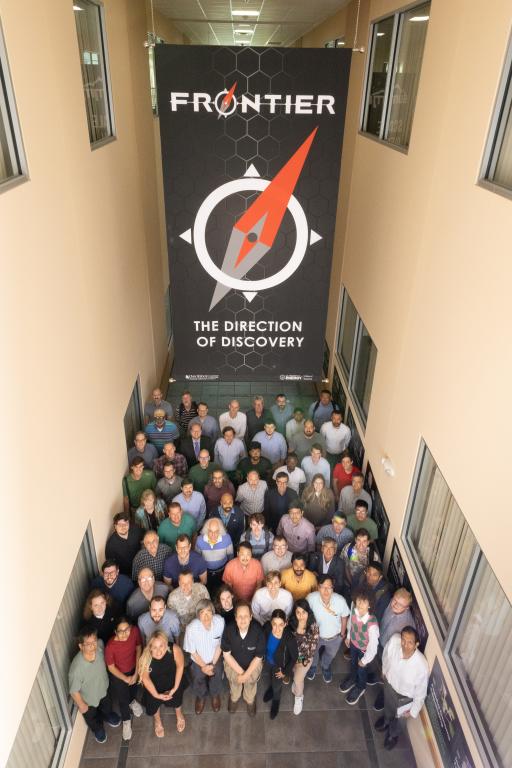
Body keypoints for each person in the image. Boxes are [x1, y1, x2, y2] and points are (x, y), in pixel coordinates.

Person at [374, 628, 429, 750]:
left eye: (410, 642)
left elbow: (421, 692)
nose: (405, 645)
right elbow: (386, 655)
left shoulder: (422, 666)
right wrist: (384, 670)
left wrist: (413, 710)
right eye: (403, 640)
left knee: (400, 720)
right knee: (388, 706)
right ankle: (386, 721)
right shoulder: (394, 641)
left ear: (416, 644)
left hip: (406, 698)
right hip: (390, 686)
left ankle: (392, 735)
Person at [69, 627, 121, 744]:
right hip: (88, 699)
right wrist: (82, 705)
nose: (93, 646)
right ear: (81, 646)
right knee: (92, 718)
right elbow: (73, 690)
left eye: (94, 641)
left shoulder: (100, 648)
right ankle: (98, 729)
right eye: (88, 644)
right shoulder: (76, 669)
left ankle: (108, 716)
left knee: (107, 706)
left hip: (103, 690)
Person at [373, 588, 416, 712]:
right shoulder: (390, 604)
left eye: (400, 604)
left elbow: (398, 657)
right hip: (381, 643)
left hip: (393, 655)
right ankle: (377, 676)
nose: (395, 605)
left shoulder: (405, 627)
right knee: (378, 664)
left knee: (387, 679)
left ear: (407, 608)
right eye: (395, 600)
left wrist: (386, 669)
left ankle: (383, 697)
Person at [221, 601, 265, 716]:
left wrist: (246, 675)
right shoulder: (229, 630)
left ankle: (250, 700)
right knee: (235, 683)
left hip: (253, 665)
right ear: (235, 618)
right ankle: (234, 698)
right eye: (239, 616)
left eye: (246, 616)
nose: (243, 619)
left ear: (251, 617)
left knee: (250, 683)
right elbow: (226, 655)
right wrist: (241, 673)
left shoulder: (258, 631)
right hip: (233, 664)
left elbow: (259, 657)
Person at [139, 630, 186, 736]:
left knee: (177, 697)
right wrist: (157, 695)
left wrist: (175, 688)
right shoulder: (145, 657)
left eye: (161, 646)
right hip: (154, 685)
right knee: (153, 701)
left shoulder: (174, 649)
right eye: (155, 647)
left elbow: (180, 666)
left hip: (172, 681)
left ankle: (179, 714)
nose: (158, 651)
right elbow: (145, 679)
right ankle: (158, 721)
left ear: (166, 644)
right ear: (150, 647)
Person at [339, 587, 379, 705]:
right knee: (352, 663)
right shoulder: (353, 607)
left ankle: (361, 687)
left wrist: (365, 660)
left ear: (370, 604)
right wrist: (348, 637)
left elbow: (373, 647)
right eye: (359, 600)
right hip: (354, 644)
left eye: (364, 601)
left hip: (364, 650)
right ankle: (352, 678)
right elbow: (351, 623)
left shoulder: (372, 624)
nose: (360, 603)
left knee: (362, 669)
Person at [184, 599, 225, 714]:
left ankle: (215, 694)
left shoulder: (220, 622)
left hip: (215, 658)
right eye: (202, 612)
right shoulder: (191, 628)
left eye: (208, 612)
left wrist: (212, 664)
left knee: (217, 673)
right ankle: (201, 696)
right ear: (198, 615)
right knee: (198, 676)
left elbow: (220, 645)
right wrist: (203, 667)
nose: (206, 616)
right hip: (198, 660)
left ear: (213, 612)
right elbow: (192, 651)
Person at [105, 616, 143, 740]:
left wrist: (136, 671)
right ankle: (126, 721)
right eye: (121, 631)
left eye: (127, 629)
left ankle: (132, 701)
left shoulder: (135, 631)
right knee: (122, 699)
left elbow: (138, 648)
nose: (125, 633)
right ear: (115, 632)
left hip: (134, 668)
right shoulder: (110, 646)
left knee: (134, 689)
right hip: (119, 674)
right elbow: (111, 667)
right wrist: (125, 679)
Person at [306, 575, 350, 683]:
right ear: (318, 587)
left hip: (334, 637)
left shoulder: (340, 600)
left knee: (330, 654)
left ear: (333, 588)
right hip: (316, 636)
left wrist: (342, 633)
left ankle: (325, 666)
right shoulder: (310, 598)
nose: (326, 590)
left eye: (329, 587)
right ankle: (313, 666)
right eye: (322, 587)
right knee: (313, 653)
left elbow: (344, 617)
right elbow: (305, 615)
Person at [263, 609, 298, 719]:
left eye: (281, 625)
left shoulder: (289, 638)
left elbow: (294, 657)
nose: (277, 629)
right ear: (270, 622)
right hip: (267, 661)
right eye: (274, 624)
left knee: (277, 685)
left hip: (279, 667)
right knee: (270, 677)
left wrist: (285, 672)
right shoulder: (267, 628)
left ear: (285, 623)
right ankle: (271, 689)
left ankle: (276, 701)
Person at [289, 600, 319, 715]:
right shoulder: (291, 623)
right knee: (295, 673)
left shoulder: (313, 626)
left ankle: (299, 697)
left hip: (305, 660)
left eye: (304, 612)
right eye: (298, 612)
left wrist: (298, 660)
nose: (301, 615)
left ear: (308, 612)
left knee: (297, 679)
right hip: (292, 658)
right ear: (295, 613)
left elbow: (311, 650)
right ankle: (296, 685)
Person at [195, 518, 234, 589]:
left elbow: (230, 557)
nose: (213, 535)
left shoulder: (227, 538)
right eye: (210, 531)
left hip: (222, 572)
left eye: (216, 531)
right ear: (206, 530)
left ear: (220, 531)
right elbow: (197, 559)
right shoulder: (199, 540)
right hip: (205, 573)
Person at [340, 529, 381, 596]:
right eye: (359, 540)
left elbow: (375, 575)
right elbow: (344, 565)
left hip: (363, 586)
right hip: (347, 582)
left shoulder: (373, 556)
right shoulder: (348, 548)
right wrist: (350, 582)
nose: (361, 544)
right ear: (355, 540)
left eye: (364, 541)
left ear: (368, 542)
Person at [105, 512, 143, 577]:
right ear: (115, 526)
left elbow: (144, 539)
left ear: (129, 524)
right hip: (126, 574)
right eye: (120, 524)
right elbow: (112, 565)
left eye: (126, 523)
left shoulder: (136, 529)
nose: (123, 526)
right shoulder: (111, 546)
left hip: (142, 566)